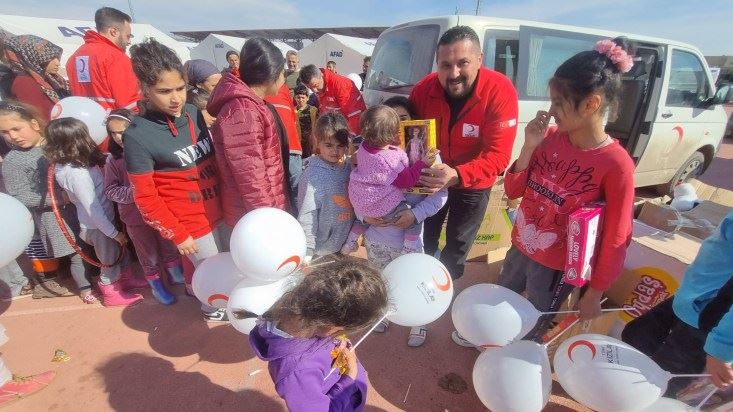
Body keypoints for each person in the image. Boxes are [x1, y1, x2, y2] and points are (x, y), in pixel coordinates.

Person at [453, 37, 636, 348]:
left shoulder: (616, 164)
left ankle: (517, 353)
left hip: (556, 265)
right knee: (503, 296)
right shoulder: (549, 138)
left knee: (535, 315)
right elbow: (513, 190)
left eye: (559, 102)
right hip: (521, 245)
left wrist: (595, 291)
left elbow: (617, 237)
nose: (551, 111)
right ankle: (489, 336)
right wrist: (528, 147)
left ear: (590, 104)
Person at [125, 39, 226, 321]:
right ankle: (211, 310)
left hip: (221, 213)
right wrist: (177, 234)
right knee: (212, 276)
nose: (175, 98)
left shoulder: (194, 113)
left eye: (180, 88)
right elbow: (145, 198)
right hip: (192, 226)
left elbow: (214, 163)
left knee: (230, 267)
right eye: (164, 91)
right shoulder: (137, 135)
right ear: (145, 90)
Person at [409, 26, 518, 283]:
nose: (454, 73)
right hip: (433, 179)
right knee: (423, 237)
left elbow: (499, 156)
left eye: (463, 63)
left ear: (480, 60)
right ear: (437, 64)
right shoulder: (424, 90)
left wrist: (458, 174)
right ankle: (420, 284)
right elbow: (411, 138)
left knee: (457, 246)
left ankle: (445, 289)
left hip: (474, 183)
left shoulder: (499, 90)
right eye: (445, 65)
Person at [350, 102, 448, 348]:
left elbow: (441, 196)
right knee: (381, 278)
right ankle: (383, 312)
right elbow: (361, 191)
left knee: (415, 280)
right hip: (377, 238)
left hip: (407, 242)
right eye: (393, 124)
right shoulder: (386, 156)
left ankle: (419, 319)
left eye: (403, 119)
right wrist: (364, 217)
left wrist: (415, 215)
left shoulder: (427, 155)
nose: (398, 129)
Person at [249, 258, 389, 411]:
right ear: (330, 327)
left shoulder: (303, 315)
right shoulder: (298, 372)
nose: (342, 335)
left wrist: (341, 344)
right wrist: (349, 378)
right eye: (342, 330)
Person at [622, 210, 733, 395]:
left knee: (659, 384)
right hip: (697, 303)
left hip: (708, 317)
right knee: (637, 341)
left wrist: (721, 349)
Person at [44, 117, 146, 307]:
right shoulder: (77, 174)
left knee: (119, 254)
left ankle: (125, 280)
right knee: (109, 261)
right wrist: (114, 234)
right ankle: (111, 293)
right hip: (97, 227)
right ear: (77, 141)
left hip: (103, 223)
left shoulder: (77, 164)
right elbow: (93, 209)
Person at [0, 101, 94, 302]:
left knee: (89, 242)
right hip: (52, 216)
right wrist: (58, 199)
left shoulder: (55, 145)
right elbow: (19, 196)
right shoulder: (14, 160)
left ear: (34, 124)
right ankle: (83, 287)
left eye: (17, 128)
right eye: (5, 132)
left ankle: (93, 272)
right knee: (74, 251)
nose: (13, 136)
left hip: (79, 207)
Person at [207, 38, 291, 228]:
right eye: (282, 72)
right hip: (254, 216)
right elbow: (251, 175)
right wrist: (267, 218)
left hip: (259, 209)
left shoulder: (250, 104)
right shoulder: (243, 111)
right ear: (271, 74)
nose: (284, 78)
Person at [104, 109, 179, 305]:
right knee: (148, 253)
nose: (119, 137)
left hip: (160, 212)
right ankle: (156, 285)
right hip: (135, 218)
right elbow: (111, 190)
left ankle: (175, 272)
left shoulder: (151, 150)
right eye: (113, 133)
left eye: (123, 130)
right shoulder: (114, 161)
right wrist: (135, 193)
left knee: (168, 243)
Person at [346, 105, 437, 256]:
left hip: (362, 201)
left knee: (361, 218)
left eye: (403, 119)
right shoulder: (389, 159)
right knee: (414, 221)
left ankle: (351, 240)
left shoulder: (364, 146)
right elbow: (408, 180)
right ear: (392, 133)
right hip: (383, 215)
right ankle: (409, 247)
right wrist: (423, 163)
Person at [297, 112, 353, 259]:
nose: (335, 151)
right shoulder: (311, 176)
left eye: (340, 146)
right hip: (320, 249)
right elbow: (307, 214)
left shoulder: (350, 167)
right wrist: (307, 249)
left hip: (346, 246)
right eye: (328, 145)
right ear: (317, 142)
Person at [66, 7, 138, 112]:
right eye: (128, 36)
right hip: (112, 123)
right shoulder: (116, 58)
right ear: (114, 32)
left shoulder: (76, 56)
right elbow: (130, 103)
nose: (129, 41)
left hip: (82, 122)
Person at [2, 35, 69, 121]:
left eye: (57, 57)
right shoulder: (25, 83)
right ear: (32, 58)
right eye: (51, 58)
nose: (57, 63)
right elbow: (38, 118)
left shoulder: (49, 79)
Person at [265, 83, 302, 212]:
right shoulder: (257, 91)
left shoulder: (284, 88)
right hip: (274, 150)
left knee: (296, 188)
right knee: (283, 188)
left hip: (291, 147)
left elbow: (293, 118)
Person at [299, 64, 366, 133]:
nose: (314, 90)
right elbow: (325, 112)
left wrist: (349, 139)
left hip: (354, 129)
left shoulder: (340, 84)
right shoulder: (320, 88)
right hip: (338, 129)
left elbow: (354, 115)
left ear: (321, 75)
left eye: (316, 85)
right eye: (310, 88)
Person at [294, 84, 317, 158]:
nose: (300, 100)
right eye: (298, 97)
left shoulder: (314, 110)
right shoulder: (292, 110)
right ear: (295, 98)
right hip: (298, 141)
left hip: (310, 140)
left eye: (303, 98)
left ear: (307, 98)